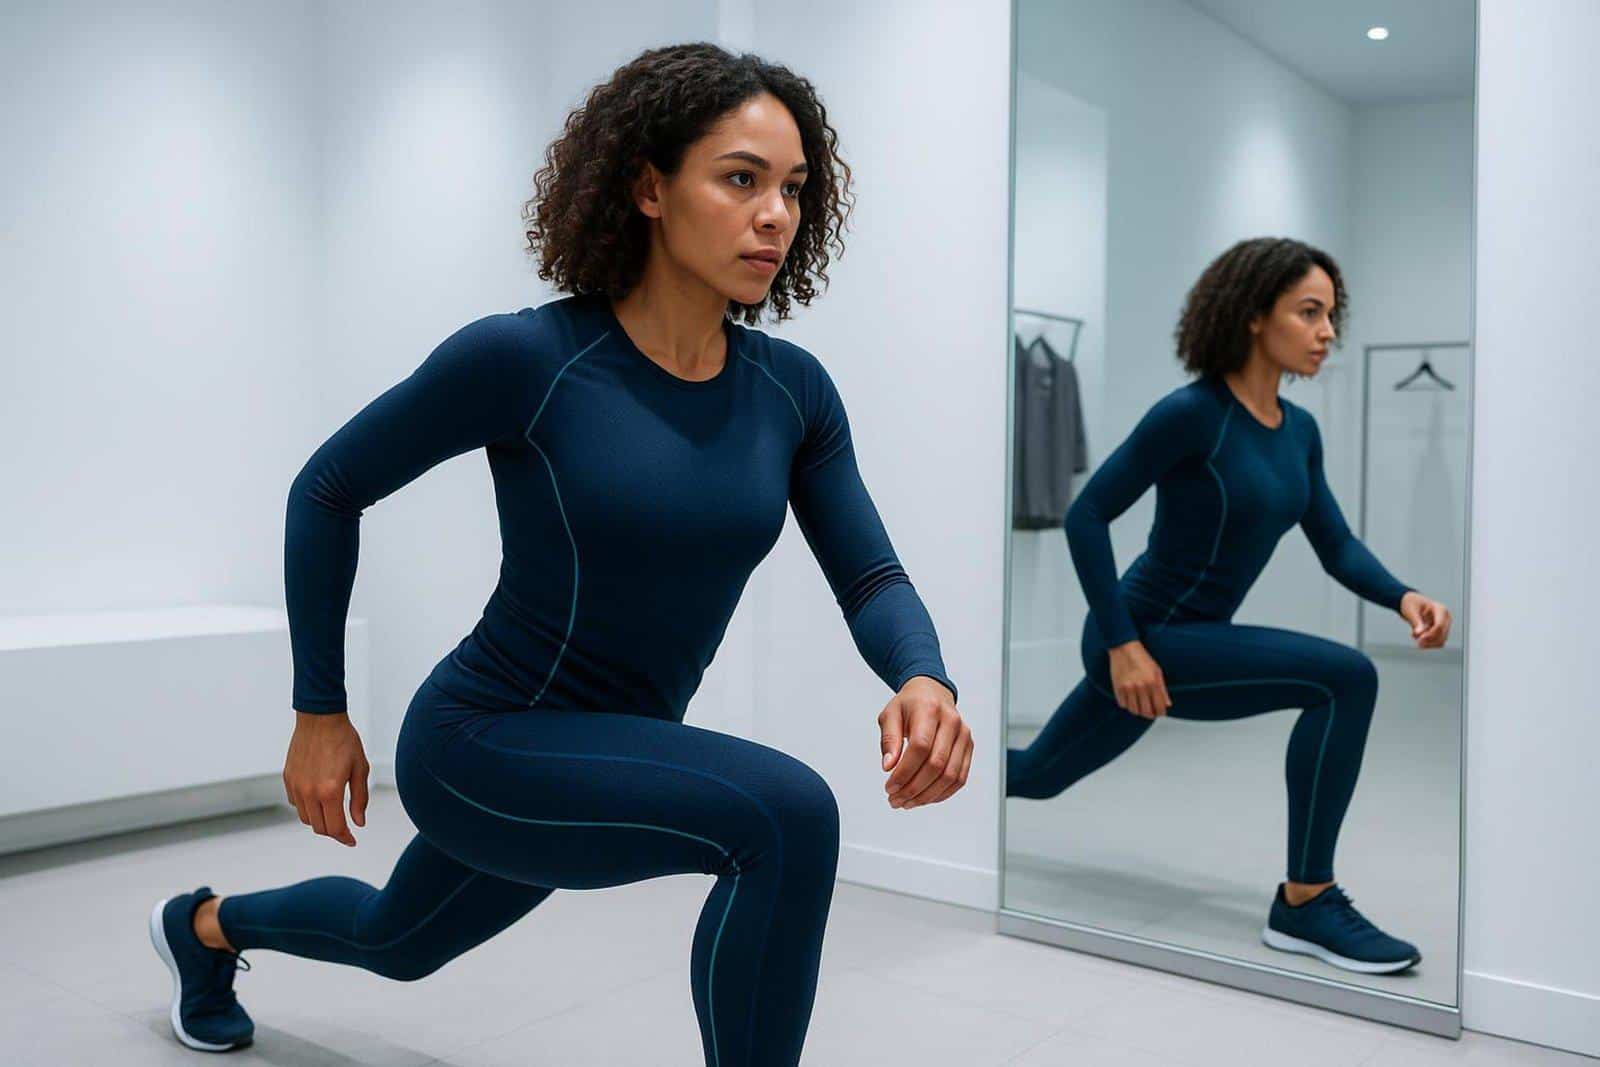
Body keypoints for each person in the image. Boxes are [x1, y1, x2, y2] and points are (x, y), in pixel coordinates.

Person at [146, 43, 972, 1065]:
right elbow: (328, 488)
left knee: (394, 938)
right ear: (648, 187)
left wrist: (919, 671)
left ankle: (199, 927)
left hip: (607, 751)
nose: (775, 215)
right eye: (741, 178)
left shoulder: (792, 393)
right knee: (787, 815)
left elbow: (871, 573)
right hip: (484, 738)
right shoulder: (530, 359)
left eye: (794, 188)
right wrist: (320, 708)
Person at [1005, 236, 1453, 976]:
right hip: (1142, 635)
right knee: (1347, 677)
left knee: (1037, 776)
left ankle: (925, 767)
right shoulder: (1191, 414)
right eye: (1309, 312)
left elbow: (1335, 543)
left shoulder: (1298, 431)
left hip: (1192, 639)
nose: (1327, 332)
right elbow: (1087, 514)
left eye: (1332, 315)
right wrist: (1122, 644)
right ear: (1254, 315)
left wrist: (1403, 596)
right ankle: (1305, 901)